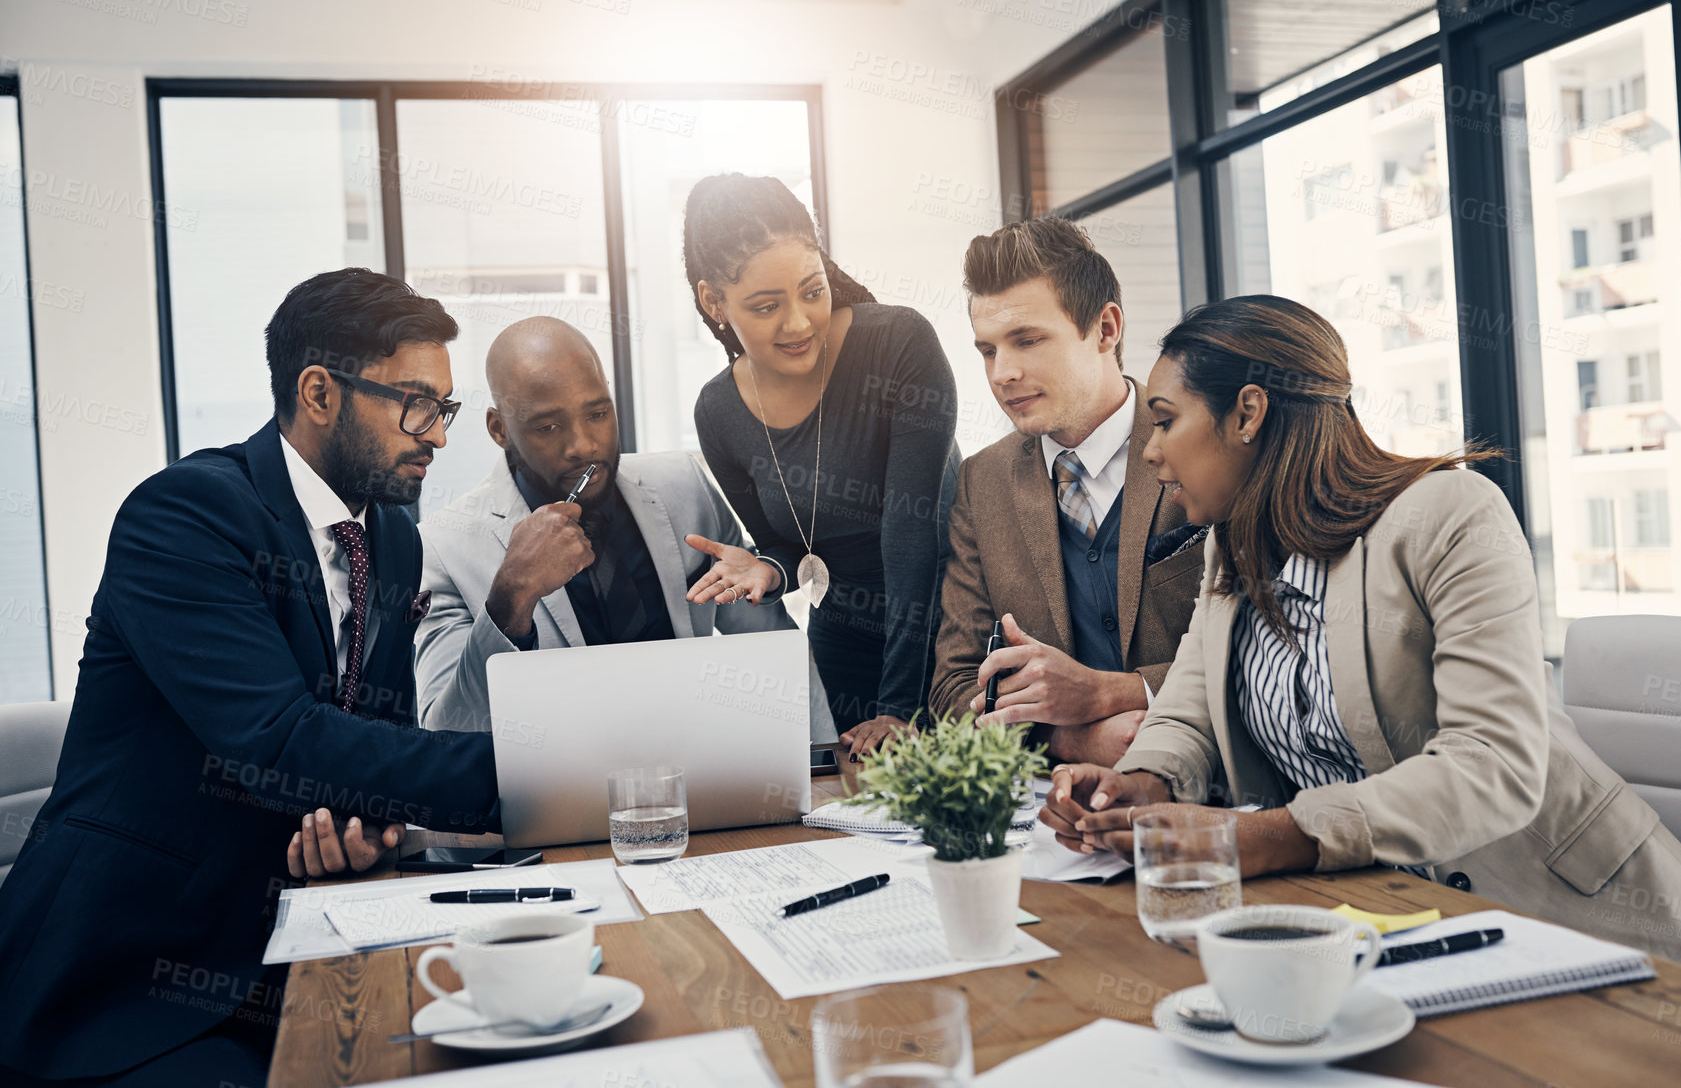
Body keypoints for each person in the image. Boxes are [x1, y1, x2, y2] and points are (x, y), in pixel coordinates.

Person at [1042, 295, 1681, 976]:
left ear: (1248, 412)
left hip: (1585, 932)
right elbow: (1189, 702)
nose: (1152, 453)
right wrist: (1140, 782)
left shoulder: (1448, 515)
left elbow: (1491, 762)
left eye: (1163, 421)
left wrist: (1273, 835)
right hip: (1384, 918)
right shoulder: (1234, 545)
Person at [0, 269, 504, 1085]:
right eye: (415, 403)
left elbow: (376, 744)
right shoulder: (185, 516)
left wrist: (366, 831)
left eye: (442, 408)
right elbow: (279, 739)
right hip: (126, 981)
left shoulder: (394, 538)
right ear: (318, 392)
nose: (437, 435)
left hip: (302, 939)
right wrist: (532, 770)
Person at [415, 316, 830, 738]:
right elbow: (446, 731)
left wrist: (824, 768)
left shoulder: (684, 485)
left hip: (705, 774)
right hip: (562, 794)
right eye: (548, 427)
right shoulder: (444, 545)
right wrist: (510, 600)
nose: (585, 445)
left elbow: (774, 652)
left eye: (597, 413)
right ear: (499, 429)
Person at [686, 173, 960, 760]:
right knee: (839, 818)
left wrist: (898, 708)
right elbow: (792, 544)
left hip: (947, 631)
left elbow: (912, 533)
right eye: (766, 306)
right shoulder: (718, 411)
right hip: (843, 635)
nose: (799, 322)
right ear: (715, 302)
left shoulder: (899, 344)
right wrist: (768, 571)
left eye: (812, 290)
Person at [929, 217, 1204, 767]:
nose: (1003, 373)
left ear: (1105, 329)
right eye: (988, 350)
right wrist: (1064, 743)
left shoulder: (1205, 445)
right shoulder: (982, 483)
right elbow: (952, 688)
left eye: (1027, 340)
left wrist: (1115, 692)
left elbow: (1264, 651)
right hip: (1060, 813)